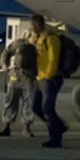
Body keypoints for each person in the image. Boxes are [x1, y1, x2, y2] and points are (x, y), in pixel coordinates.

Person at [30, 13, 67, 148]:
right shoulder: (39, 38)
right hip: (40, 78)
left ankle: (55, 139)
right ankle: (59, 126)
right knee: (35, 107)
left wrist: (48, 75)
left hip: (50, 78)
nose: (31, 28)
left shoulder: (51, 39)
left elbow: (53, 59)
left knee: (47, 109)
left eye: (32, 25)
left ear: (39, 25)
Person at [0, 29, 36, 137]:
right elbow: (7, 52)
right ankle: (6, 125)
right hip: (15, 77)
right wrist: (4, 64)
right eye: (34, 36)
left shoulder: (38, 47)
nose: (36, 39)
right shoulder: (19, 44)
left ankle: (26, 127)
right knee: (10, 101)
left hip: (29, 78)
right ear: (29, 36)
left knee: (29, 104)